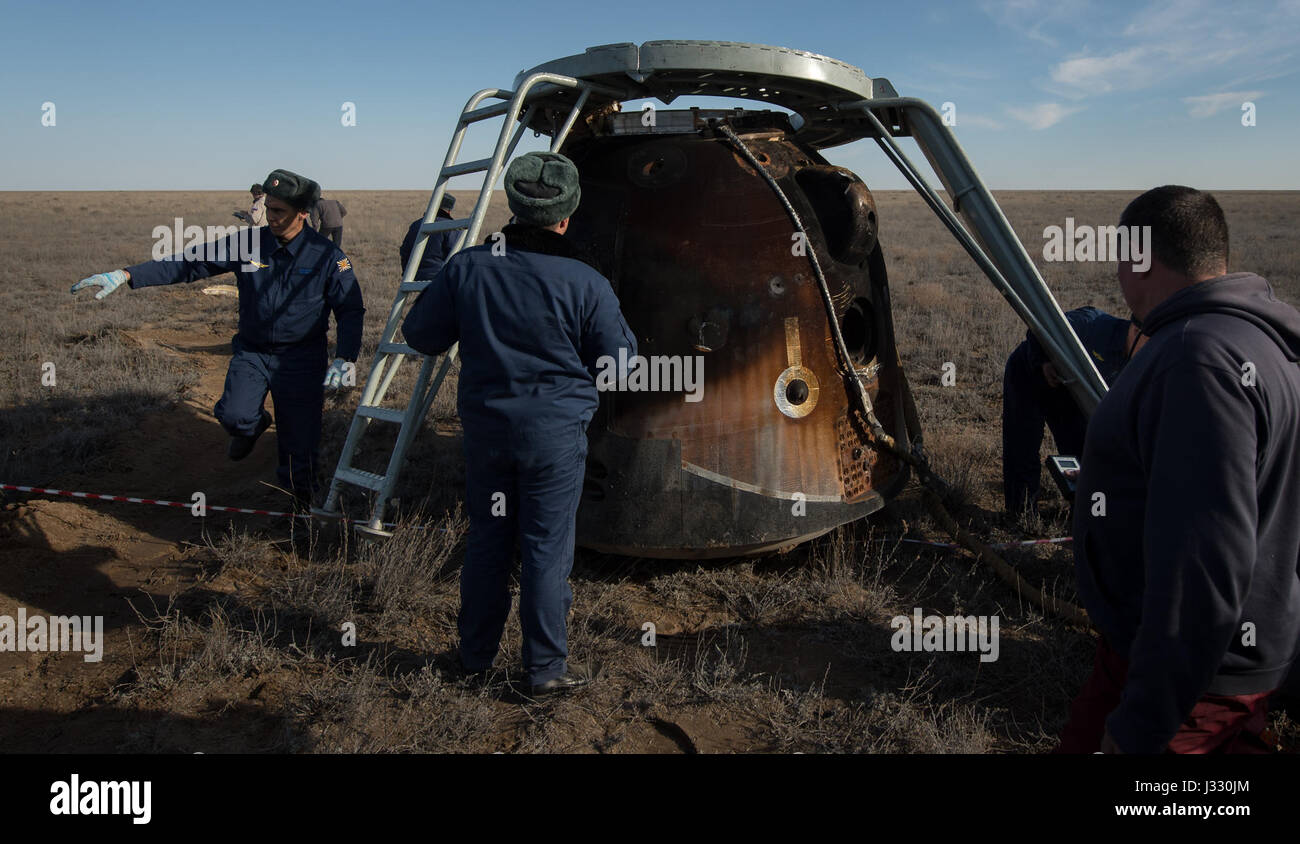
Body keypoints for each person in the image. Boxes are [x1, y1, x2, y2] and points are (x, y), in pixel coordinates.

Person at [1057, 185, 1300, 754]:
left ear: (1141, 259)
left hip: (1192, 681)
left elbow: (1202, 564)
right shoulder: (1260, 339)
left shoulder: (1196, 359)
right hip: (1211, 659)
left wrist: (1144, 723)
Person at [401, 151, 636, 698]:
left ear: (514, 204)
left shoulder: (466, 268)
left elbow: (421, 337)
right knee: (546, 549)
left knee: (488, 541)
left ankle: (474, 657)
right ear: (567, 215)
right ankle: (545, 669)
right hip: (552, 441)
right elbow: (620, 366)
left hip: (487, 437)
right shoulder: (585, 282)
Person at [70, 168, 365, 506]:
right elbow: (188, 263)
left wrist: (345, 357)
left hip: (302, 360)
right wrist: (127, 274)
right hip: (252, 354)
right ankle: (250, 429)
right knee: (235, 415)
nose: (271, 217)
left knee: (299, 444)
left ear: (302, 213)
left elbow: (350, 310)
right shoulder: (248, 243)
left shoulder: (328, 257)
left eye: (279, 211)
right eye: (268, 208)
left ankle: (299, 512)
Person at [1001, 306, 1142, 515]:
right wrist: (1043, 361)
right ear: (1135, 331)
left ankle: (1087, 512)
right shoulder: (1091, 324)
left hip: (1068, 392)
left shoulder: (1137, 363)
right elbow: (1038, 327)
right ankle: (1021, 514)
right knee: (1022, 446)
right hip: (1028, 375)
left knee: (1082, 449)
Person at [399, 194, 461, 280]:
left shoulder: (415, 225)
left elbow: (405, 252)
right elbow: (457, 255)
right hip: (440, 277)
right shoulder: (452, 227)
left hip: (413, 275)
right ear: (449, 211)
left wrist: (406, 274)